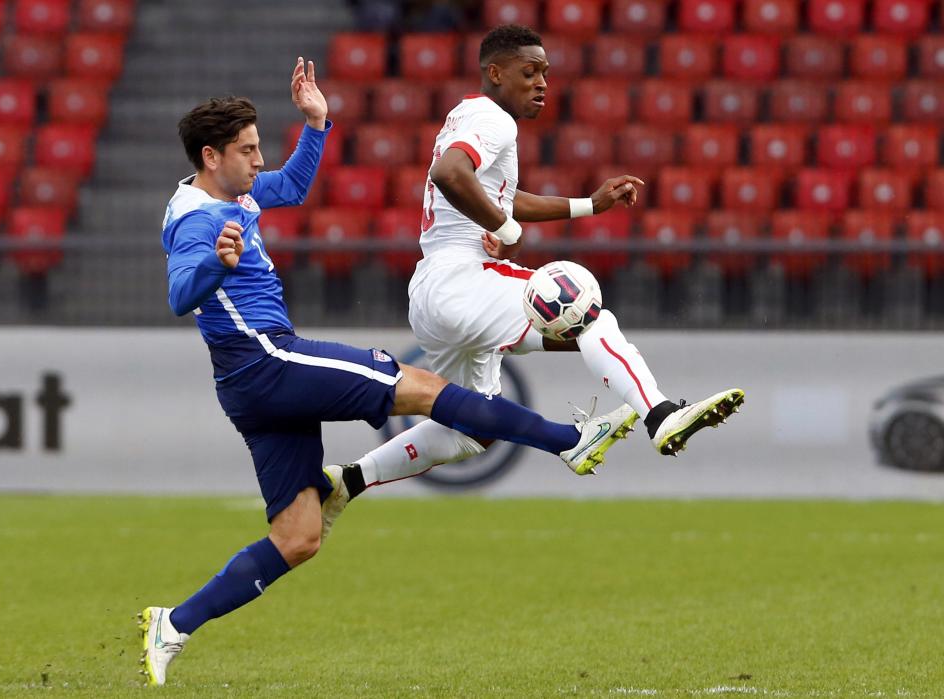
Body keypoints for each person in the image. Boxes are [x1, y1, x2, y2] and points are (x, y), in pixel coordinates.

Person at [138, 57, 637, 687]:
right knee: (426, 390)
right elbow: (181, 293)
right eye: (247, 151)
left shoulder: (225, 193)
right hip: (269, 358)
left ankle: (173, 623)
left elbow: (289, 189)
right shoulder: (199, 220)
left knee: (299, 537)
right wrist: (215, 263)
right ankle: (570, 441)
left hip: (249, 388)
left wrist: (317, 126)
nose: (259, 161)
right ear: (212, 156)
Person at [318, 25, 744, 518]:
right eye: (529, 71)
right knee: (589, 313)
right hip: (464, 280)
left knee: (473, 426)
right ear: (495, 73)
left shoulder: (468, 115)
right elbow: (450, 176)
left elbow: (498, 196)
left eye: (545, 72)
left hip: (434, 295)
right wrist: (508, 231)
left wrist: (588, 204)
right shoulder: (493, 119)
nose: (542, 82)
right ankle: (661, 414)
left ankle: (348, 480)